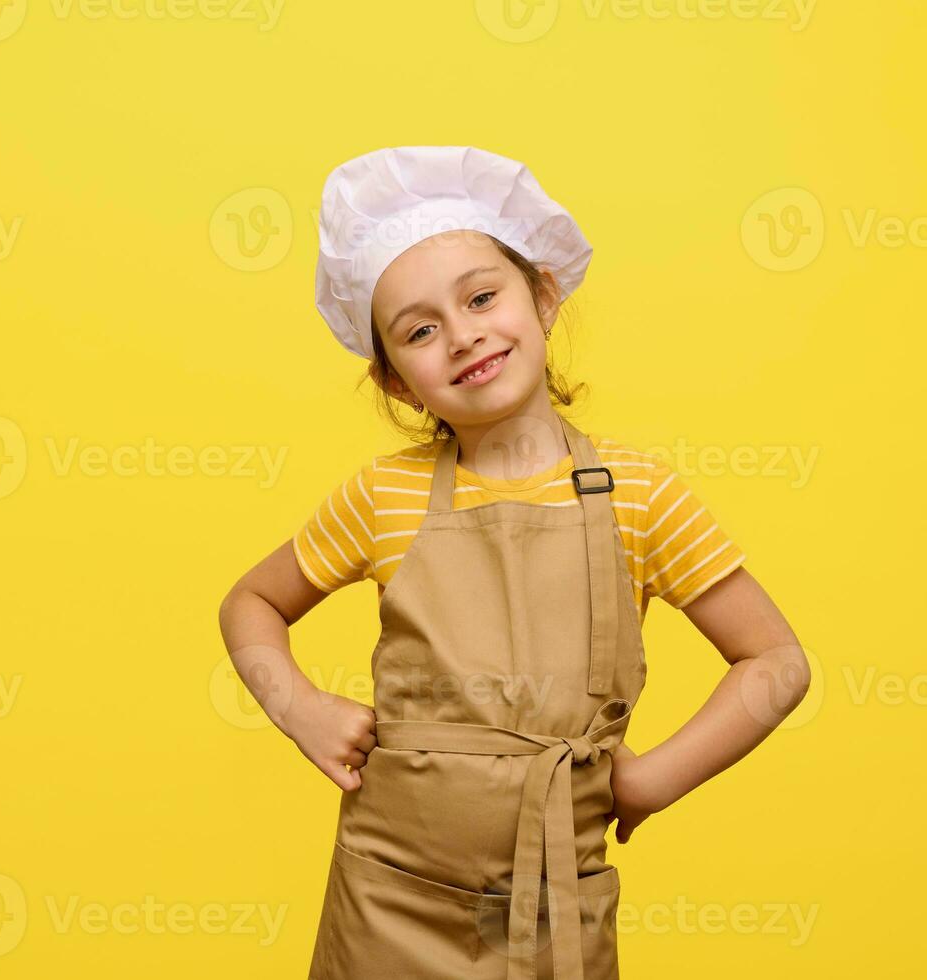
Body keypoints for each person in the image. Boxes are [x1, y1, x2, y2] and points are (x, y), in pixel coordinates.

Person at [217, 145, 810, 979]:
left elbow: (774, 661)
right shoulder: (380, 498)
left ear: (541, 296)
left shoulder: (638, 494)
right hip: (385, 899)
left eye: (481, 297)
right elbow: (250, 602)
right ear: (396, 382)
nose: (462, 336)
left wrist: (648, 783)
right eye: (420, 330)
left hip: (551, 908)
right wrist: (299, 708)